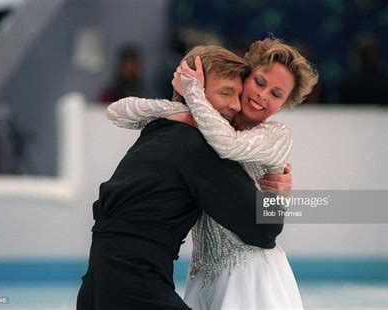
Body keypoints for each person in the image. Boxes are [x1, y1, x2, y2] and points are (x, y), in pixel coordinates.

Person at [106, 38, 318, 309]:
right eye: (260, 82)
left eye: (277, 94)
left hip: (251, 275)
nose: (263, 96)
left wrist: (193, 93)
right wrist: (181, 104)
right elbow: (118, 112)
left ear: (285, 103)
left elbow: (227, 145)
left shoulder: (276, 135)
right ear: (246, 75)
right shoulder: (209, 120)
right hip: (203, 273)